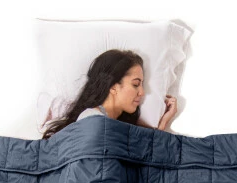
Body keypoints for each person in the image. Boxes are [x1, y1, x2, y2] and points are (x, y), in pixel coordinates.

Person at [41, 49, 177, 140]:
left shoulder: (115, 123)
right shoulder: (91, 118)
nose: (142, 92)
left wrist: (163, 123)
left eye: (142, 84)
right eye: (135, 84)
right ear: (113, 86)